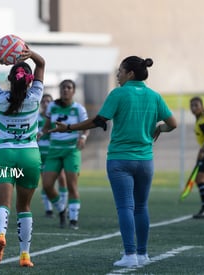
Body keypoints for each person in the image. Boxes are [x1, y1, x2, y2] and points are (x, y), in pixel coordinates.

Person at [50, 56, 177, 267]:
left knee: (125, 207)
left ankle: (129, 255)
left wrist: (69, 128)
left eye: (120, 71)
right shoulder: (154, 96)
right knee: (141, 207)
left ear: (130, 74)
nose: (117, 75)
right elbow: (172, 123)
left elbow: (98, 121)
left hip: (120, 160)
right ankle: (142, 254)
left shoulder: (118, 93)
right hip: (145, 161)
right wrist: (159, 128)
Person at [0, 46, 45, 267]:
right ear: (29, 80)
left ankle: (0, 235)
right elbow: (42, 64)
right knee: (24, 207)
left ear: (9, 78)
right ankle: (25, 256)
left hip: (4, 154)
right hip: (29, 155)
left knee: (3, 205)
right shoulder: (36, 97)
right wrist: (30, 53)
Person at [40, 79, 89, 229]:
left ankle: (73, 220)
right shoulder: (52, 107)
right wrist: (40, 133)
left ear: (73, 91)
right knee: (47, 185)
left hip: (71, 150)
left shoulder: (78, 109)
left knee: (72, 186)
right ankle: (62, 209)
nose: (65, 90)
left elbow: (86, 126)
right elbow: (47, 126)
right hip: (54, 150)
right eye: (63, 88)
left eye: (69, 88)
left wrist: (83, 137)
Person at [37, 93, 68, 218]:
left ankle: (63, 206)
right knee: (44, 181)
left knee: (61, 177)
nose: (45, 104)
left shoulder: (55, 118)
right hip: (39, 153)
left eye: (48, 101)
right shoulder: (35, 117)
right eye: (43, 102)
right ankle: (48, 209)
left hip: (53, 152)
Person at [189, 96, 204, 218]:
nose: (193, 108)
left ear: (201, 106)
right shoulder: (200, 119)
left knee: (200, 180)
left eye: (196, 105)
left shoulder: (203, 120)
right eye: (192, 106)